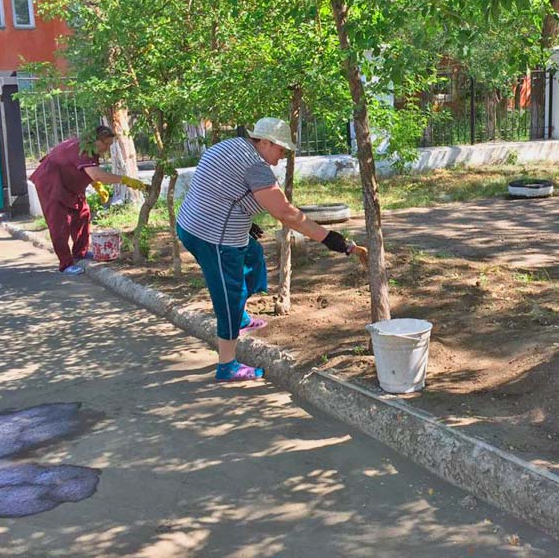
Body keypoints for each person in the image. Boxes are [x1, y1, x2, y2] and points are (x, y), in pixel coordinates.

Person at [176, 117, 368, 383]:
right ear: (264, 142)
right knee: (229, 294)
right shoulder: (256, 167)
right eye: (280, 149)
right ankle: (227, 365)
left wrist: (246, 221)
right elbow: (284, 213)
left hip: (191, 222)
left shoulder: (231, 145)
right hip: (213, 237)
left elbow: (220, 186)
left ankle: (240, 318)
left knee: (252, 255)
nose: (282, 155)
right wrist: (331, 239)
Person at [30, 126, 149, 276]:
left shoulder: (90, 150)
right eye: (105, 144)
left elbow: (86, 171)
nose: (107, 148)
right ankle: (66, 264)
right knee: (59, 224)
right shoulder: (82, 150)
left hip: (69, 184)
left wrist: (96, 184)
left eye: (110, 145)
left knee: (82, 213)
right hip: (51, 183)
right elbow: (97, 175)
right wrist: (124, 180)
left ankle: (80, 252)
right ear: (95, 141)